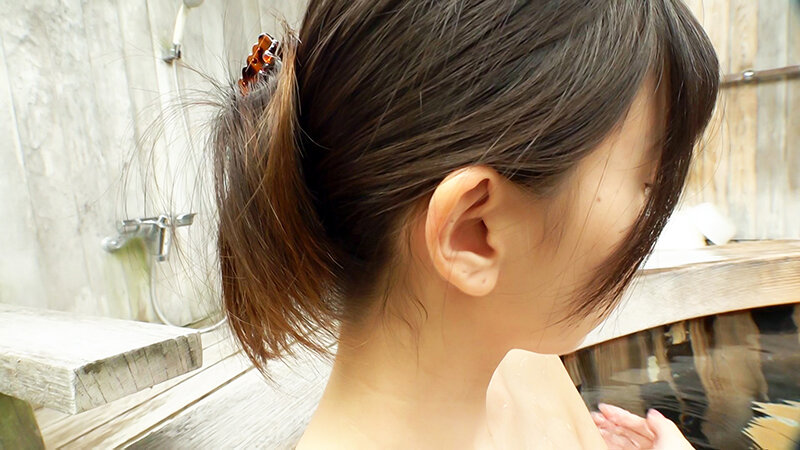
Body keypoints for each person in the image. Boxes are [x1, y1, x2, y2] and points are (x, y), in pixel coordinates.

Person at [209, 0, 719, 447]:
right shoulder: (521, 365)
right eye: (647, 181)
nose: (651, 212)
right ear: (474, 232)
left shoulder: (517, 362)